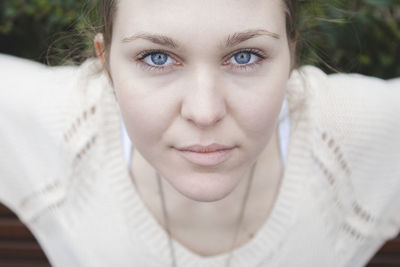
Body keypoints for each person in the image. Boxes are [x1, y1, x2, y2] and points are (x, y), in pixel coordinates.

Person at [0, 0, 399, 266]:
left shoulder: (350, 135)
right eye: (157, 58)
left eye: (245, 56)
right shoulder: (64, 130)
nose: (205, 112)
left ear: (290, 55)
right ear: (106, 63)